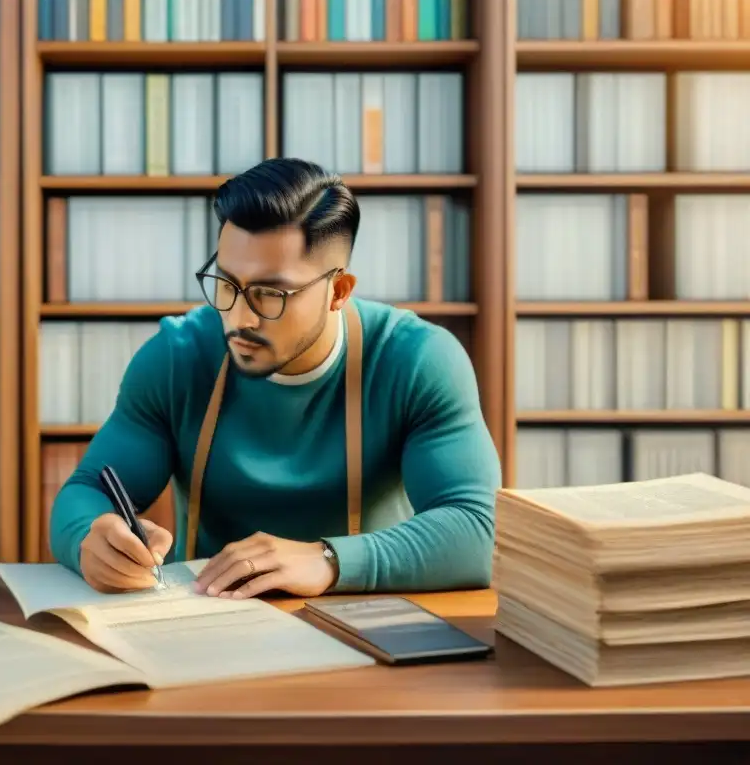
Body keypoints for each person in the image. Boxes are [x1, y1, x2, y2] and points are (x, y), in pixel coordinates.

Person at [49, 157, 502, 600]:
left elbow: (481, 530)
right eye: (226, 284)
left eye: (269, 294)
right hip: (209, 621)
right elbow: (87, 490)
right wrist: (90, 538)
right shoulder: (177, 357)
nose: (238, 318)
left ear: (338, 291)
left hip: (367, 617)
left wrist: (329, 560)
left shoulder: (414, 359)